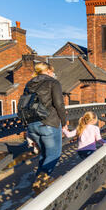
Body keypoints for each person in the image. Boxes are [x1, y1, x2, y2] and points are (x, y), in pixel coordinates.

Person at [23, 62, 67, 195]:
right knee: (54, 154)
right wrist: (64, 121)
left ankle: (40, 181)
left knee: (44, 154)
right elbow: (59, 104)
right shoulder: (53, 82)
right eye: (51, 70)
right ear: (48, 70)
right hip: (49, 123)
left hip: (32, 124)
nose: (53, 73)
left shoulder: (29, 83)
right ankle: (40, 181)